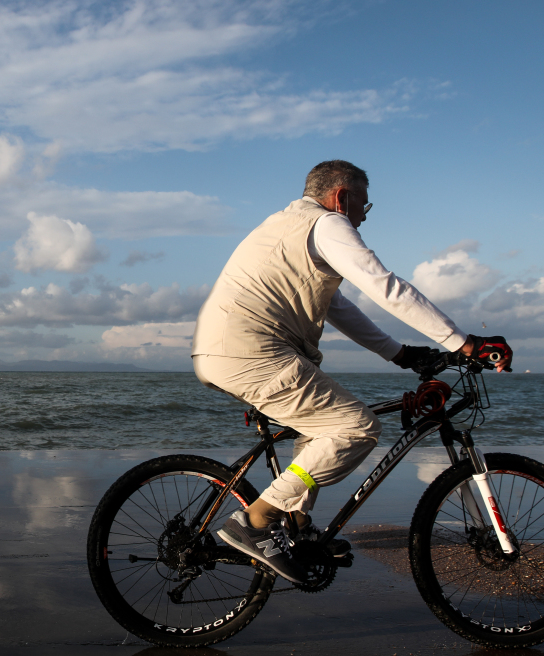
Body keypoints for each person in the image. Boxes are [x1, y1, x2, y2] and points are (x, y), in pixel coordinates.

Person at [190, 161, 513, 584]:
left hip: (229, 351)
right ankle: (255, 522)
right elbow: (386, 287)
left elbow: (339, 309)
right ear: (341, 197)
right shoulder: (326, 225)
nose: (364, 215)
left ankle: (296, 527)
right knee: (356, 428)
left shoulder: (289, 226)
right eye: (364, 204)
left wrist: (402, 354)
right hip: (252, 352)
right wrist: (464, 343)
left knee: (321, 431)